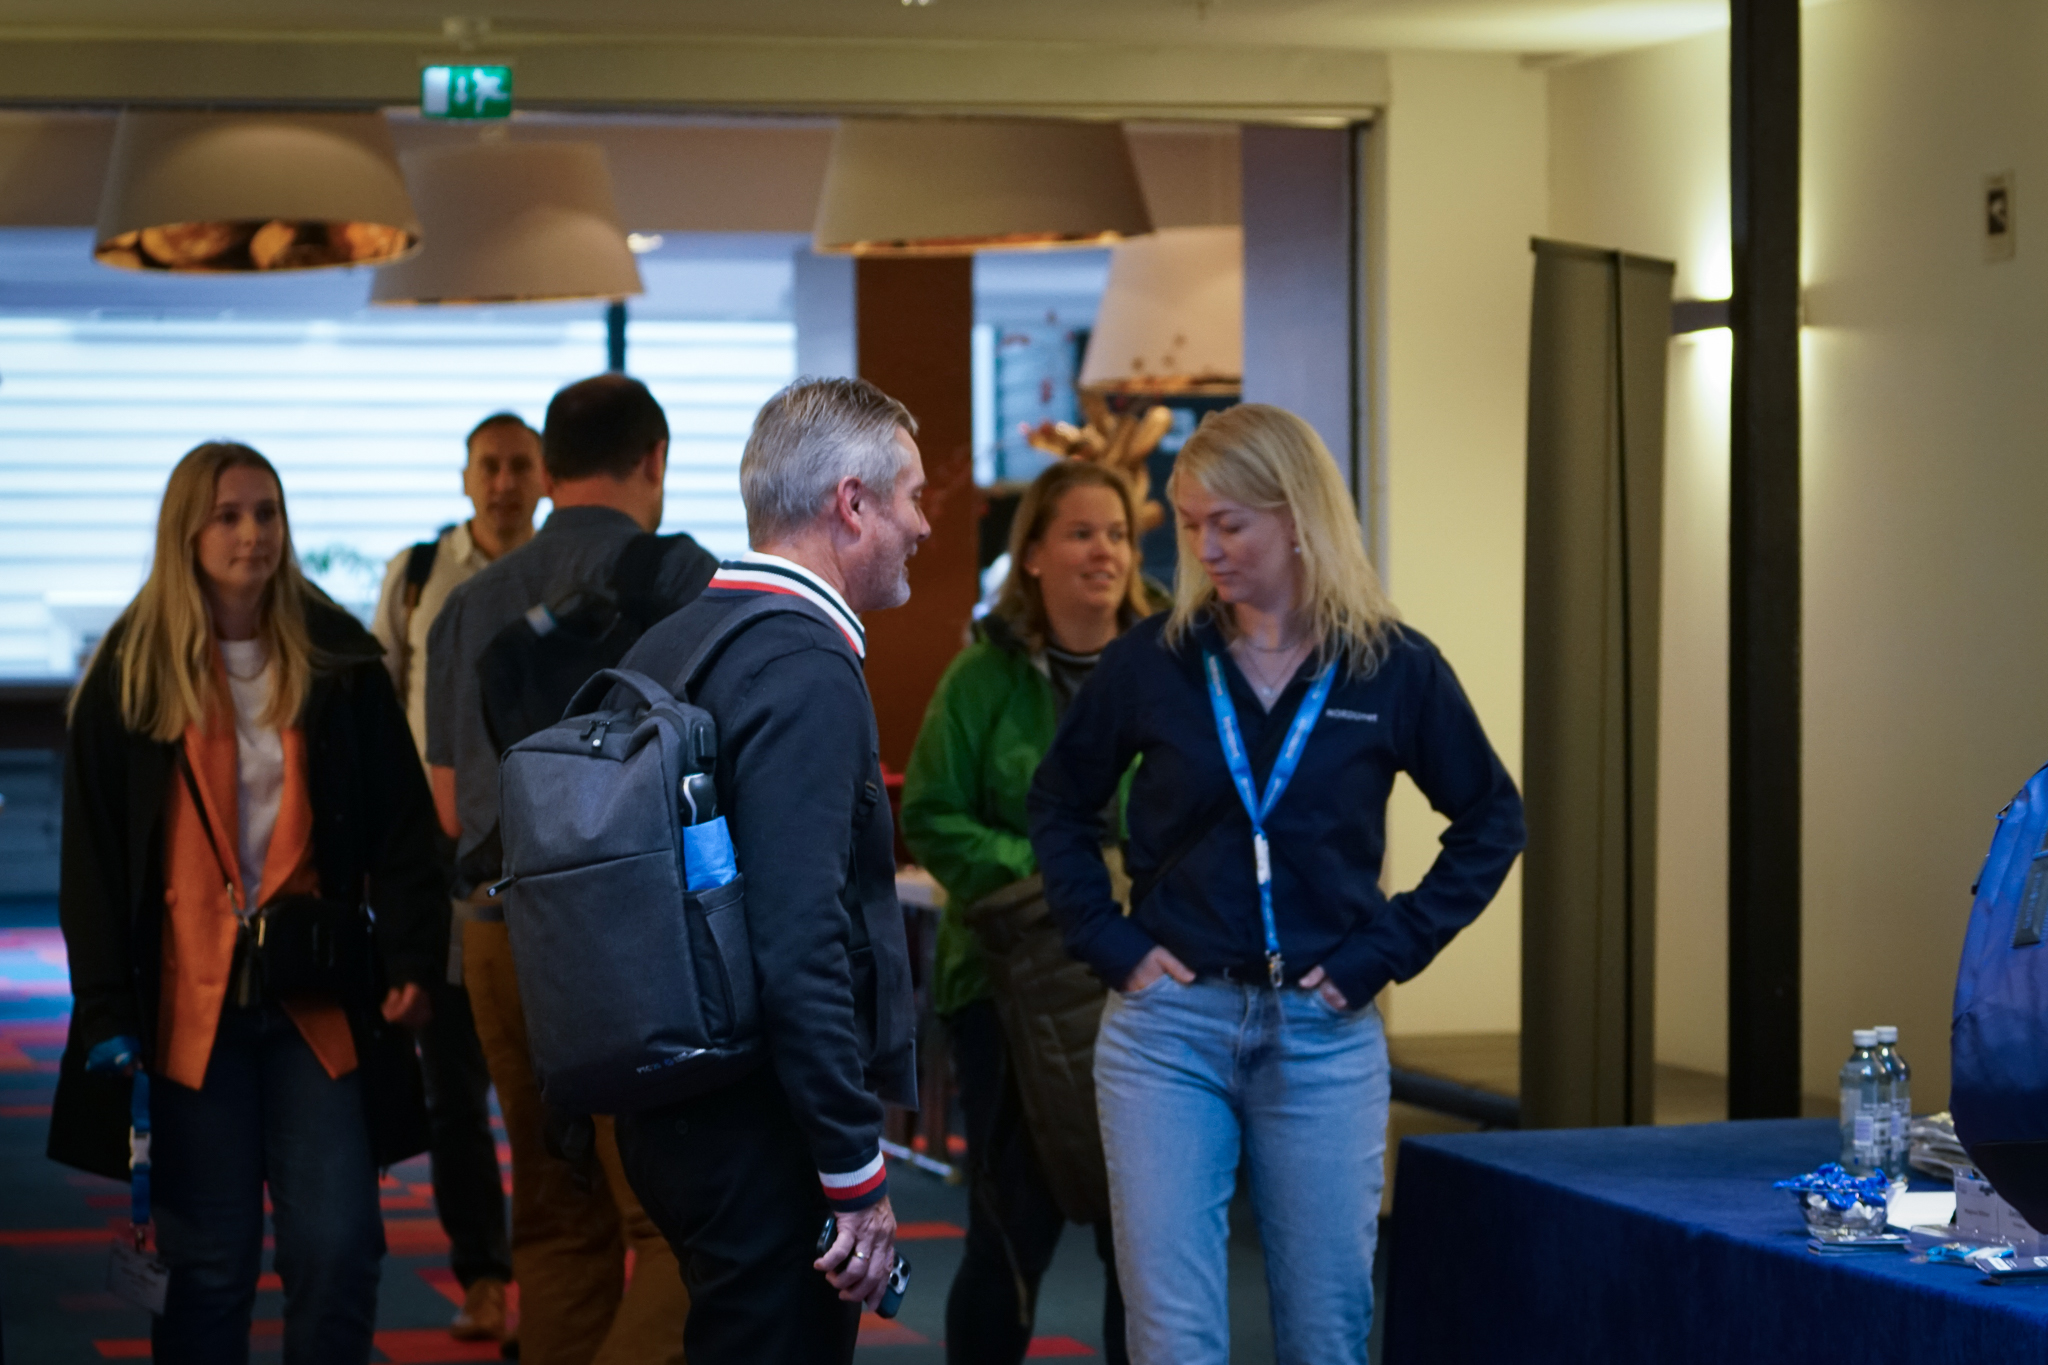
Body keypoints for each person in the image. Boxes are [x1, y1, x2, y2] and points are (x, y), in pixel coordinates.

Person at [1028, 404, 1526, 1365]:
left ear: (1298, 518)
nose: (1205, 548)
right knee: (1173, 1340)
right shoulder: (1154, 661)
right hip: (1170, 1030)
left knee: (1326, 1333)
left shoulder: (1391, 667)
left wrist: (1384, 951)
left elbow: (1491, 821)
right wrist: (1110, 942)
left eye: (1229, 523)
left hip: (1323, 1036)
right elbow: (1058, 805)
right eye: (1191, 525)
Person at [51, 441, 445, 1364]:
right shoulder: (130, 671)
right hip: (188, 1005)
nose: (253, 534)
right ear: (186, 533)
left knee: (339, 1247)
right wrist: (104, 1007)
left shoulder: (338, 657)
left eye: (267, 513)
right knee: (208, 1265)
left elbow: (403, 827)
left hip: (315, 997)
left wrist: (414, 958)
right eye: (227, 516)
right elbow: (93, 866)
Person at [612, 377, 925, 1365]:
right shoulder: (805, 669)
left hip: (668, 1095)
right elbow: (800, 943)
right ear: (852, 503)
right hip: (761, 1120)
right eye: (911, 496)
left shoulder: (678, 637)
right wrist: (852, 1165)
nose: (922, 525)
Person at [425, 375, 710, 1365]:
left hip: (499, 931)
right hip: (635, 946)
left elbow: (451, 806)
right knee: (679, 1226)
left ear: (546, 472)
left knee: (553, 1218)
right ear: (655, 460)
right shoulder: (691, 585)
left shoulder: (467, 604)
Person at [902, 459, 1158, 1365]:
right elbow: (931, 813)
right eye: (1082, 532)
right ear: (1035, 555)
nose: (1105, 551)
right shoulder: (983, 676)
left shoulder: (1169, 667)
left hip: (1146, 979)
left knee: (1145, 1235)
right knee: (1013, 1224)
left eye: (1118, 534)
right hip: (1008, 985)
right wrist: (1060, 878)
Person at [368, 411, 543, 1345]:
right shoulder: (419, 575)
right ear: (466, 476)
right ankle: (481, 1273)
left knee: (553, 1087)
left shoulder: (564, 570)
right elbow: (379, 701)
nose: (504, 482)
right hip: (439, 852)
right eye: (490, 466)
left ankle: (551, 1279)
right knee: (453, 1087)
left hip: (547, 848)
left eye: (520, 465)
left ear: (545, 476)